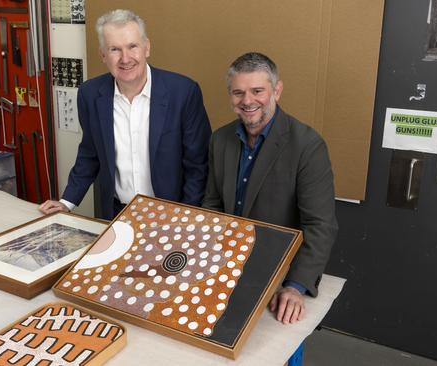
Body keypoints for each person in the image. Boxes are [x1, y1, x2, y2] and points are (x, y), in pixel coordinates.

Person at [202, 52, 338, 325]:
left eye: (257, 91)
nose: (247, 101)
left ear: (277, 90)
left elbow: (319, 224)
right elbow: (212, 207)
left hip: (278, 273)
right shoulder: (220, 139)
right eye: (238, 92)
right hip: (225, 267)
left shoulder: (307, 145)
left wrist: (295, 286)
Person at [39, 9, 211, 220]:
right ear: (103, 55)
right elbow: (90, 153)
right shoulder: (90, 94)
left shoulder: (184, 92)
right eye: (114, 49)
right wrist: (66, 202)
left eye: (132, 46)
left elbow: (197, 165)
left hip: (172, 215)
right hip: (116, 213)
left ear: (146, 47)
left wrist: (186, 217)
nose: (125, 58)